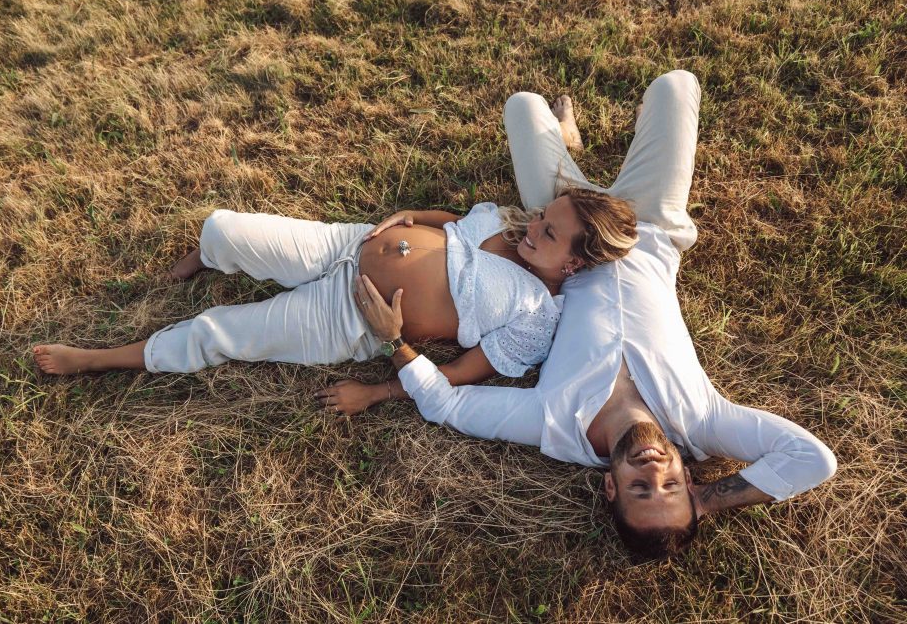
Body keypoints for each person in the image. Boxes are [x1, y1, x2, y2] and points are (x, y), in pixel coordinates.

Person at [317, 70, 838, 560]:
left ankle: (565, 146)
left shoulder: (554, 422)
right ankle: (568, 142)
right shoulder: (704, 420)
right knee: (676, 87)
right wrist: (708, 501)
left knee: (522, 107)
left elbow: (446, 405)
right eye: (672, 485)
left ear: (610, 486)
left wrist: (390, 358)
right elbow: (813, 459)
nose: (654, 471)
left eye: (639, 489)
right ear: (686, 474)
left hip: (561, 233)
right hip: (651, 226)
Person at [31, 100, 638, 386]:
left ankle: (97, 359)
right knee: (221, 226)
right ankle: (205, 256)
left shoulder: (537, 317)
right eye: (540, 218)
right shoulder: (516, 227)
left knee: (221, 331)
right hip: (346, 244)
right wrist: (408, 215)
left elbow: (459, 374)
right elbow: (457, 217)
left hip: (351, 318)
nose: (532, 227)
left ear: (577, 261)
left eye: (549, 232)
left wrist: (385, 365)